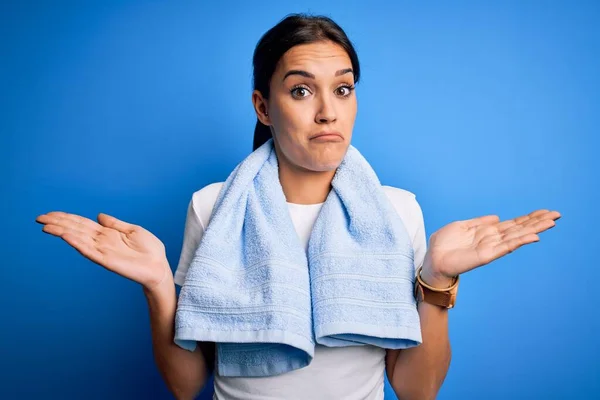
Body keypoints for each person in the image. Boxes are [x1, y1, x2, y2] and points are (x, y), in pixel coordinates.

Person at [35, 13, 561, 400]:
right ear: (264, 106)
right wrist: (157, 286)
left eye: (344, 88)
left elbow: (416, 390)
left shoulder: (397, 212)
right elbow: (185, 384)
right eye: (302, 91)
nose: (328, 112)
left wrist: (437, 277)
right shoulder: (213, 207)